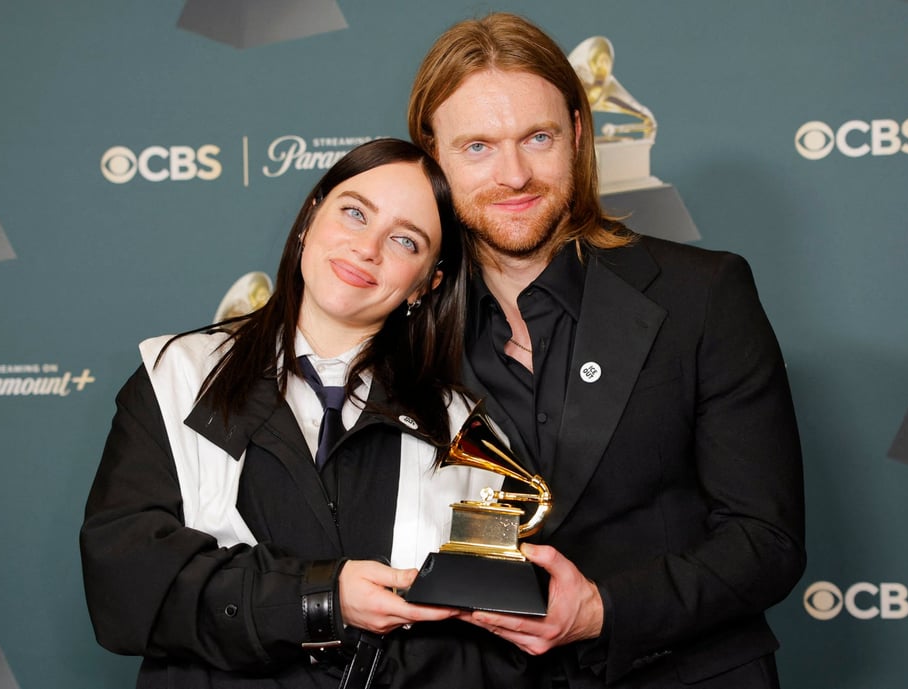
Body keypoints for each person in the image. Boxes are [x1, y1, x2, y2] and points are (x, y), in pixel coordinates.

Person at [407, 13, 806, 689]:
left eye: (538, 137)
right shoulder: (403, 325)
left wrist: (600, 609)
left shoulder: (702, 294)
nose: (515, 175)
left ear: (579, 135)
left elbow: (765, 541)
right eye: (477, 146)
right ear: (433, 156)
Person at [79, 138, 536, 689]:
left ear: (427, 282)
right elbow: (126, 582)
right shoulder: (176, 376)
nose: (368, 248)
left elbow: (495, 641)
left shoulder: (462, 428)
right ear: (309, 220)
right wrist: (320, 599)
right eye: (354, 212)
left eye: (404, 240)